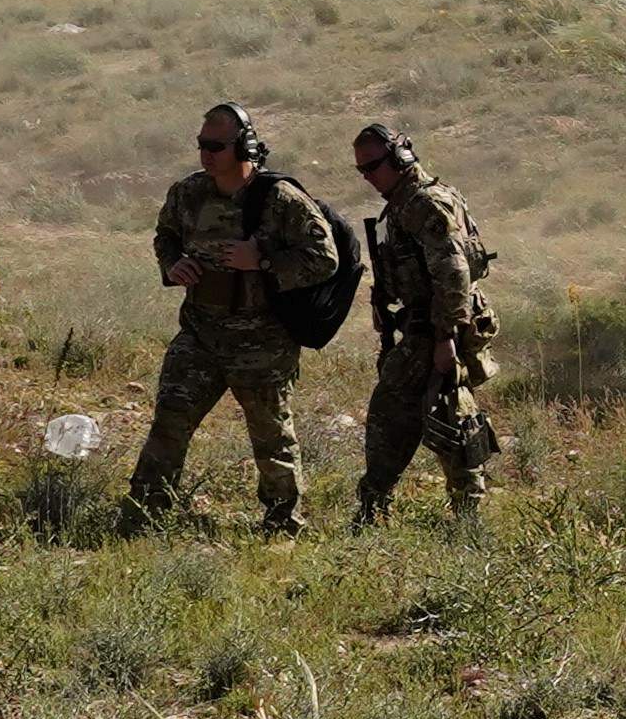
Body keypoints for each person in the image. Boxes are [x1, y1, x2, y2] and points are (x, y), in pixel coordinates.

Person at [127, 104, 340, 531]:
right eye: (202, 145)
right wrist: (172, 264)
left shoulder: (280, 200)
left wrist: (261, 261)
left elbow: (324, 258)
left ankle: (283, 523)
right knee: (170, 418)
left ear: (242, 146)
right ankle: (144, 515)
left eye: (216, 146)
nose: (206, 155)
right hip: (201, 333)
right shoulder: (188, 194)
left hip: (261, 342)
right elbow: (165, 234)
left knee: (271, 435)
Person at [348, 121, 503, 526]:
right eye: (361, 171)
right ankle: (460, 509)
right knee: (443, 410)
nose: (368, 177)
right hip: (424, 325)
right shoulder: (404, 203)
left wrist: (444, 338)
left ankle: (381, 506)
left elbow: (453, 274)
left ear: (400, 158)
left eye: (373, 167)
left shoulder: (423, 205)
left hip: (434, 328)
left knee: (414, 411)